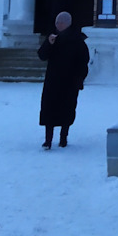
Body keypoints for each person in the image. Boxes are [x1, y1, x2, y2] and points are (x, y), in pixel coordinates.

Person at [37, 11, 90, 149]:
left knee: (67, 109)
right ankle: (48, 140)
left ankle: (63, 138)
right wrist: (49, 44)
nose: (58, 25)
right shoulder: (52, 38)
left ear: (67, 24)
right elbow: (42, 55)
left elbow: (83, 61)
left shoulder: (77, 40)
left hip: (69, 81)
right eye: (57, 22)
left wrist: (80, 79)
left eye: (61, 22)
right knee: (49, 109)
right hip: (52, 80)